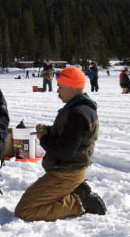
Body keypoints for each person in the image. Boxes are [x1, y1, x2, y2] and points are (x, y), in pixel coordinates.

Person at [15, 66, 106, 222]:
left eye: (60, 86)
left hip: (67, 173)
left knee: (25, 211)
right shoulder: (79, 108)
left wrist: (44, 138)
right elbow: (69, 135)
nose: (57, 91)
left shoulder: (78, 113)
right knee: (30, 199)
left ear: (71, 86)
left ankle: (79, 203)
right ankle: (76, 191)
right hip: (65, 171)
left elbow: (64, 151)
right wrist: (49, 131)